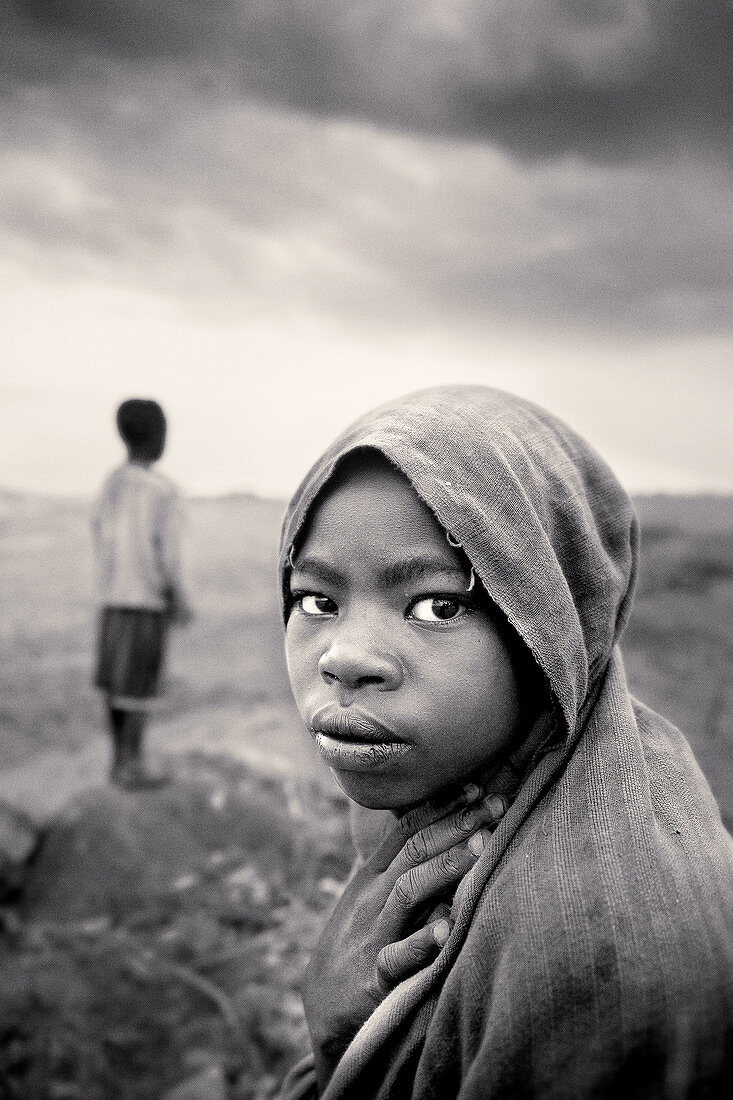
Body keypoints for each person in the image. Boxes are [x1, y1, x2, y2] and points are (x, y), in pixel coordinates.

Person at [277, 385, 733, 1099]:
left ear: (547, 628)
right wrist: (341, 1030)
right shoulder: (468, 782)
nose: (344, 657)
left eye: (436, 604)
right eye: (317, 600)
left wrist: (341, 1048)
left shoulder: (593, 954)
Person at [91, 398, 193, 790]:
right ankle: (132, 765)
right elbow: (166, 553)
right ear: (157, 437)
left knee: (116, 684)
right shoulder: (161, 490)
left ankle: (118, 760)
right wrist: (178, 599)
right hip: (146, 602)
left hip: (112, 601)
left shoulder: (111, 483)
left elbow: (100, 537)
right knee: (139, 686)